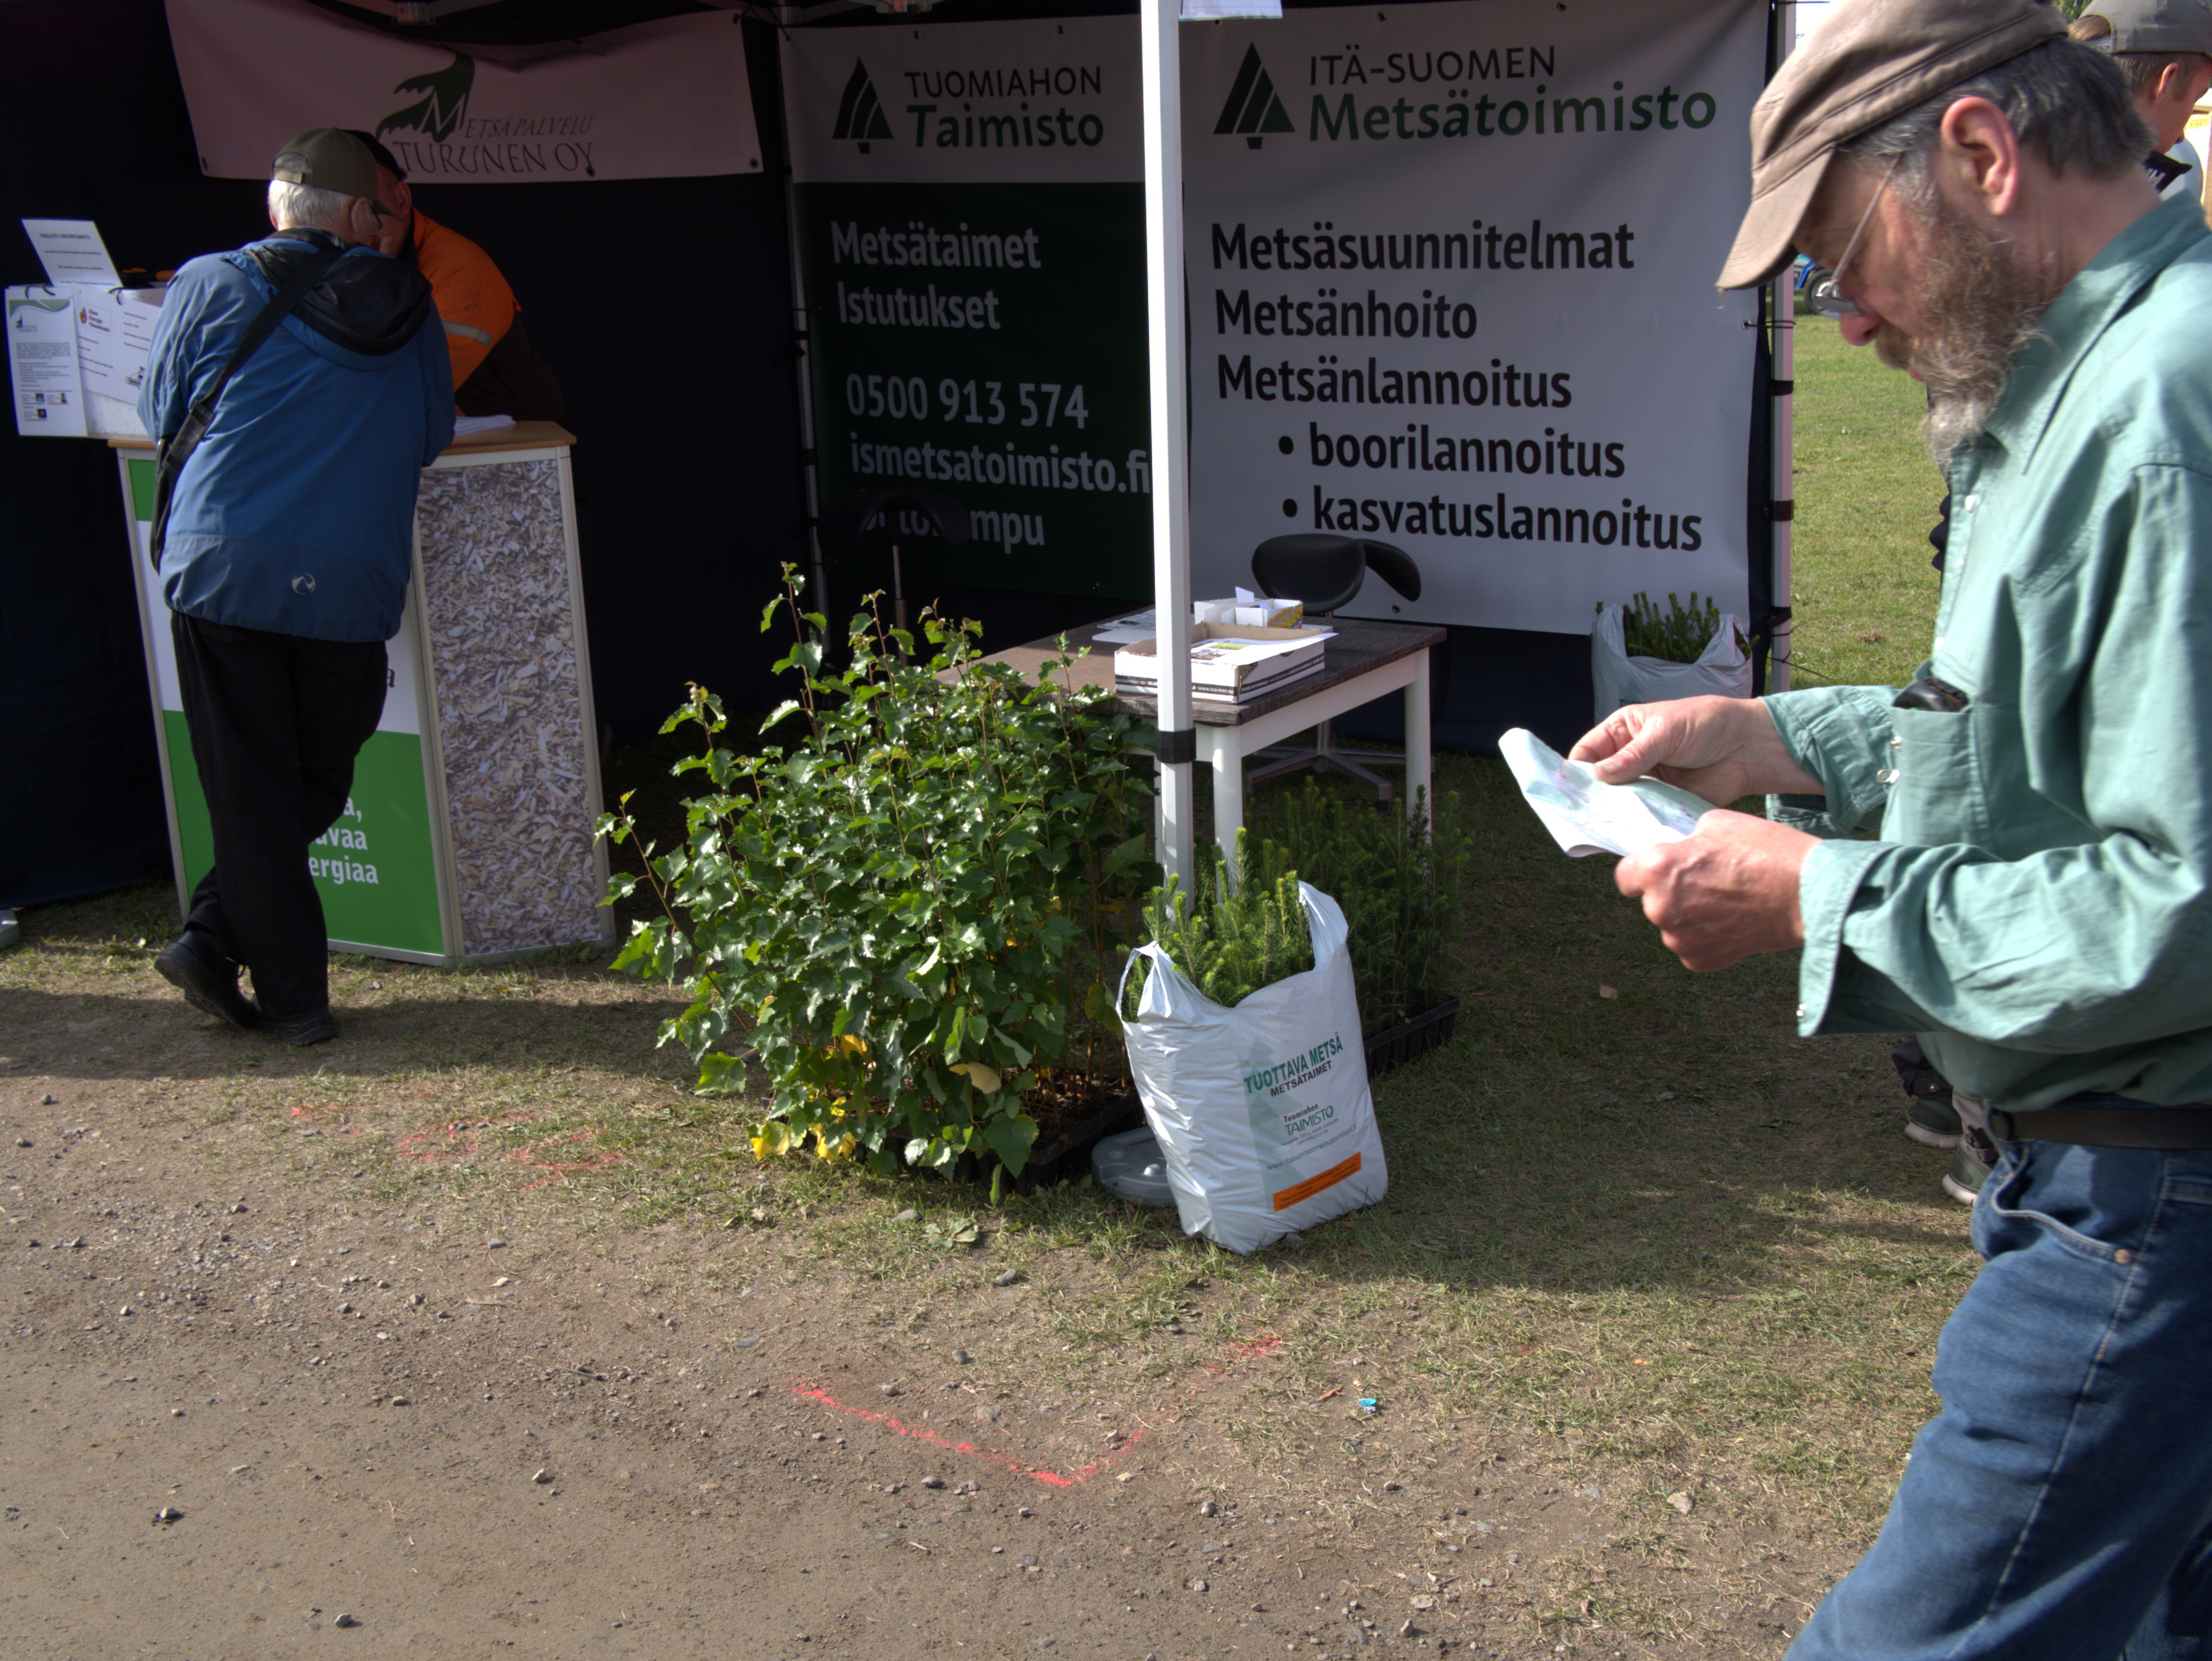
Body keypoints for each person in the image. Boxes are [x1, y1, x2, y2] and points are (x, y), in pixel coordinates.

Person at [1572, 0, 2212, 1651]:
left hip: (2151, 1199)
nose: (1837, 315)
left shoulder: (2162, 404)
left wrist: (1819, 894)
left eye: (1840, 253)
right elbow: (2013, 732)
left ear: (1981, 155)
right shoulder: (2067, 380)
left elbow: (2180, 903)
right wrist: (1772, 738)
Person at [144, 129, 453, 1045]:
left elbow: (159, 411)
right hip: (349, 582)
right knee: (312, 778)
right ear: (361, 213)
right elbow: (431, 433)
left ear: (279, 209)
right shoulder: (412, 306)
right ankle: (253, 967)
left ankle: (242, 959)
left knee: (257, 792)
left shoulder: (210, 283)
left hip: (224, 568)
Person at [344, 130, 564, 423]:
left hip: (520, 439)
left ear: (401, 198)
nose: (355, 229)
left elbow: (407, 395)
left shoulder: (460, 270)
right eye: (339, 213)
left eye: (366, 207)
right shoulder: (338, 261)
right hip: (434, 433)